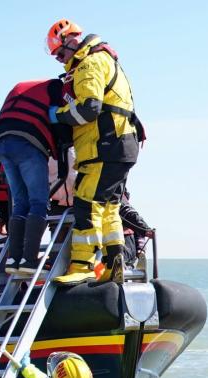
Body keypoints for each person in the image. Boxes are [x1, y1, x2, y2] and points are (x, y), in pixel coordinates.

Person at [47, 19, 143, 285]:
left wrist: (60, 115)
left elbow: (89, 108)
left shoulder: (90, 63)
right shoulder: (105, 60)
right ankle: (115, 262)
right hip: (118, 146)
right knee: (110, 209)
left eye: (61, 53)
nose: (59, 59)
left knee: (86, 204)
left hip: (105, 145)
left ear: (72, 41)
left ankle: (82, 265)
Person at [0, 78, 70, 275]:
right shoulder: (56, 88)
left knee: (20, 202)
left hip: (2, 142)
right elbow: (60, 126)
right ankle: (29, 260)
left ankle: (13, 259)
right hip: (28, 141)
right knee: (38, 202)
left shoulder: (21, 87)